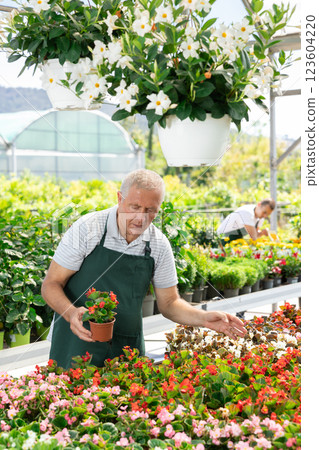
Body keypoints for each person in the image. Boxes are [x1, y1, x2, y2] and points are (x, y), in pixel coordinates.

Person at [42, 169, 247, 369]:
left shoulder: (158, 244)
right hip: (77, 343)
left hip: (126, 348)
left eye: (150, 210)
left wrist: (203, 318)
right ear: (120, 198)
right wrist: (71, 313)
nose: (141, 218)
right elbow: (51, 284)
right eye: (134, 207)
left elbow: (169, 303)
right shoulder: (89, 229)